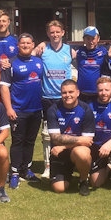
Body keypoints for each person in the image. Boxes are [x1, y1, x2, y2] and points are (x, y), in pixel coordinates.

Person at [0, 33, 44, 189]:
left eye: (28, 43)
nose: (25, 45)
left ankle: (26, 169)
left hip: (36, 109)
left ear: (33, 45)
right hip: (18, 110)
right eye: (22, 43)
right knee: (18, 141)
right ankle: (15, 173)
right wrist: (9, 108)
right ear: (18, 46)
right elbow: (4, 87)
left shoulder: (39, 62)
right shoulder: (10, 64)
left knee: (30, 141)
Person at [37, 20, 75, 180]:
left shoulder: (70, 51)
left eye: (57, 32)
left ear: (63, 33)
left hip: (64, 98)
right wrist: (40, 44)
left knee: (67, 132)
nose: (55, 35)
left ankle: (67, 164)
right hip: (47, 98)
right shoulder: (42, 49)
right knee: (48, 134)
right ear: (48, 34)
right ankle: (48, 165)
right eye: (51, 32)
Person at [46, 79, 94, 196]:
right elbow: (55, 138)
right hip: (58, 153)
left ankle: (83, 180)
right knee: (59, 188)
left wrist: (64, 146)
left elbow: (87, 141)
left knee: (82, 153)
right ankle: (68, 173)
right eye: (64, 93)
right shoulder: (53, 109)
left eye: (71, 92)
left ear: (78, 93)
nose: (67, 95)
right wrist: (78, 140)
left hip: (75, 149)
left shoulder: (86, 109)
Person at [76, 26, 108, 102]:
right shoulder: (78, 51)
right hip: (81, 93)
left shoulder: (104, 51)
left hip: (98, 93)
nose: (90, 41)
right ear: (83, 39)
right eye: (88, 38)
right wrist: (44, 43)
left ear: (98, 38)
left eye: (93, 38)